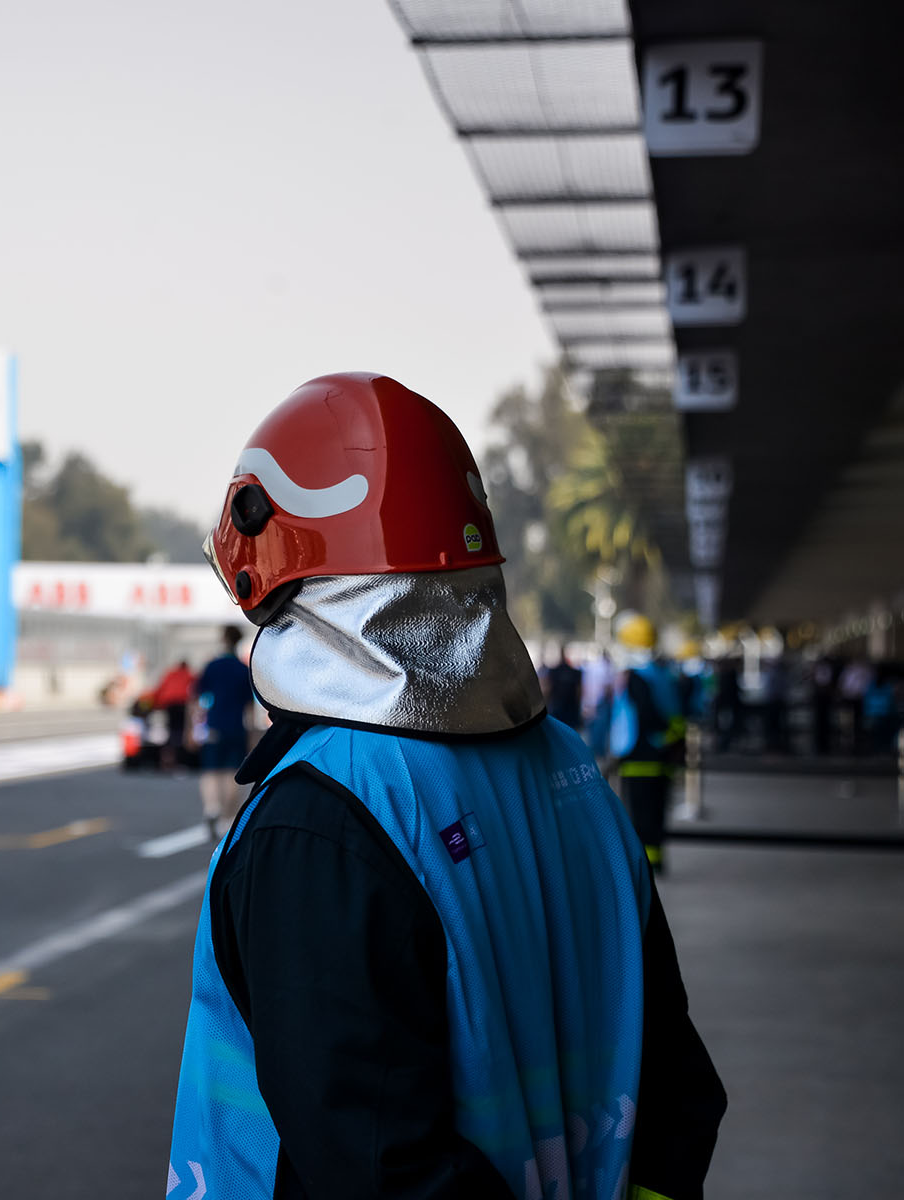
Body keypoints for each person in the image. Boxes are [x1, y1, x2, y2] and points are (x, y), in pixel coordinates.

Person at [169, 373, 723, 1200]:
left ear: (271, 568)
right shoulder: (575, 775)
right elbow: (679, 1091)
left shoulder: (320, 822)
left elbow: (377, 1167)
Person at [608, 615, 686, 873]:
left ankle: (646, 865)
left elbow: (640, 716)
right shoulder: (664, 674)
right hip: (663, 755)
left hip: (639, 756)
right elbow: (676, 714)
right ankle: (657, 859)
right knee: (658, 810)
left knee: (640, 813)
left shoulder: (635, 678)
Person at [190, 625, 253, 839]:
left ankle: (211, 809)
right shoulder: (243, 669)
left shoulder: (212, 666)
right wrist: (252, 735)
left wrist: (192, 728)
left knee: (210, 771)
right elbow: (249, 708)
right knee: (230, 772)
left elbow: (196, 700)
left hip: (213, 726)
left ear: (222, 640)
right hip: (236, 727)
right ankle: (227, 819)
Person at [150, 659, 196, 772]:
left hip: (169, 704)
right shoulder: (189, 674)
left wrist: (155, 704)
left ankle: (166, 761)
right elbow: (194, 691)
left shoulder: (170, 673)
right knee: (180, 731)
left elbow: (160, 689)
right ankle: (178, 760)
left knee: (171, 731)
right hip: (181, 704)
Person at [542, 643, 583, 730]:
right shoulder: (575, 672)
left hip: (558, 708)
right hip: (570, 708)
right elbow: (579, 691)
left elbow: (548, 689)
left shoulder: (553, 671)